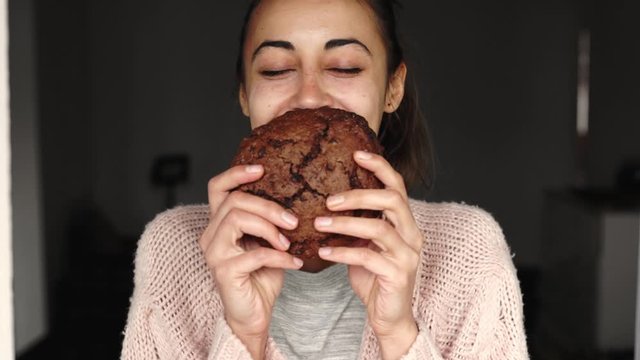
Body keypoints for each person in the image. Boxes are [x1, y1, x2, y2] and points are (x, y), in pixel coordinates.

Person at [121, 0, 529, 359]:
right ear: (245, 93)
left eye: (345, 67)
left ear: (393, 88)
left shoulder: (469, 251)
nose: (310, 96)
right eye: (276, 69)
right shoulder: (173, 250)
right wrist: (243, 336)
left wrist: (400, 336)